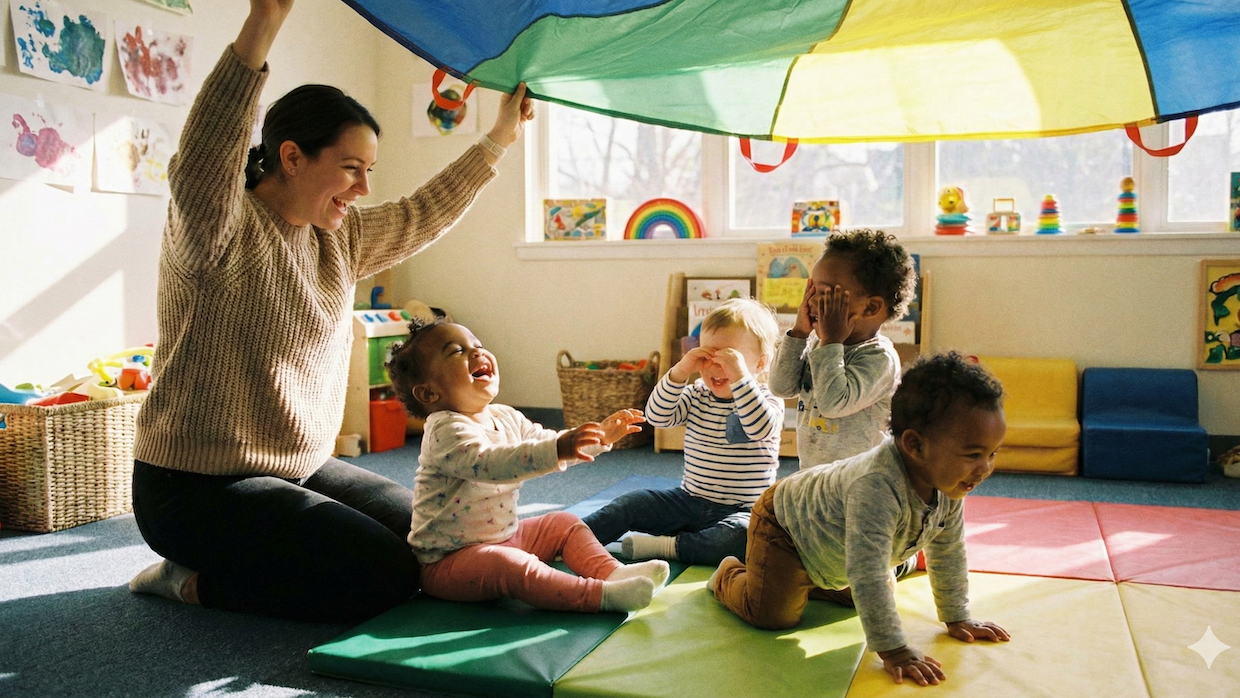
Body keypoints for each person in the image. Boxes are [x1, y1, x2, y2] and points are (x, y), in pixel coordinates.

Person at [127, 0, 534, 622]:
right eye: (350, 169)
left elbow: (425, 211)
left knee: (438, 540)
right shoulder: (215, 226)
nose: (363, 189)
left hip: (301, 469)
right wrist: (266, 18)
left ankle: (241, 561)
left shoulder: (336, 236)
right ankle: (188, 581)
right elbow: (210, 146)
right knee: (383, 576)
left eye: (368, 171)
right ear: (291, 156)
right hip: (195, 489)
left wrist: (501, 135)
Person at [711, 351, 1012, 686]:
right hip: (786, 527)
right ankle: (730, 574)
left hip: (836, 548)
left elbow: (949, 550)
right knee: (773, 615)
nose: (985, 468)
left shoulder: (949, 483)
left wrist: (958, 617)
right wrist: (893, 649)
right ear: (915, 445)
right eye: (973, 455)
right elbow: (867, 570)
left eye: (992, 454)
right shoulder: (877, 486)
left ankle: (809, 582)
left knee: (863, 595)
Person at [386, 318, 668, 613]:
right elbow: (490, 463)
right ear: (429, 393)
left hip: (507, 536)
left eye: (478, 346)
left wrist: (598, 437)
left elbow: (546, 440)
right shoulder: (444, 429)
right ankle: (599, 596)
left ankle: (613, 573)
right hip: (449, 562)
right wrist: (558, 449)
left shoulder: (504, 415)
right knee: (510, 565)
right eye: (457, 351)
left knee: (564, 524)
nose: (477, 353)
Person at [583, 299, 784, 566]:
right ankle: (571, 536)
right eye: (708, 356)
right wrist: (680, 372)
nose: (716, 366)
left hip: (741, 511)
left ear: (760, 364)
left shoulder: (768, 399)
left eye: (729, 357)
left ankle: (669, 547)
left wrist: (740, 378)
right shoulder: (697, 393)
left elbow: (758, 427)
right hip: (688, 501)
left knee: (743, 538)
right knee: (631, 504)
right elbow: (657, 417)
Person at [769, 229, 917, 470]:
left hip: (861, 480)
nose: (813, 301)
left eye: (826, 294)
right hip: (815, 475)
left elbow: (833, 403)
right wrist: (798, 333)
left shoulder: (880, 359)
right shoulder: (819, 344)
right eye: (812, 290)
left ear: (870, 307)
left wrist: (830, 343)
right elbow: (781, 387)